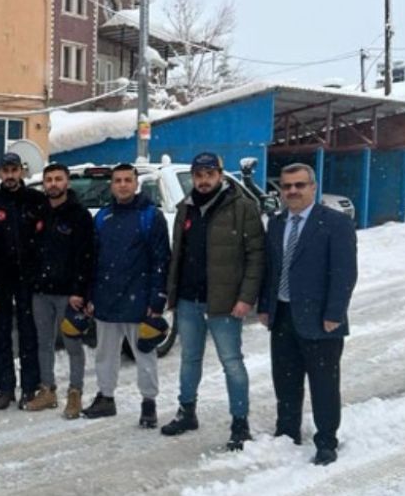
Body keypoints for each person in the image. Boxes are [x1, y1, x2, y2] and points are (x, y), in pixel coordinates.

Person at [161, 153, 265, 451]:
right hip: (188, 300)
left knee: (231, 363)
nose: (203, 180)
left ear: (220, 175)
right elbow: (177, 254)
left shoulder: (243, 207)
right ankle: (187, 412)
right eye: (198, 175)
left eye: (209, 174)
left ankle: (240, 422)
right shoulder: (186, 208)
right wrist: (173, 294)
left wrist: (246, 298)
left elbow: (256, 257)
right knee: (189, 360)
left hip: (226, 303)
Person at [258, 163, 357, 466]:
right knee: (285, 379)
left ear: (313, 188)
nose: (292, 191)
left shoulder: (335, 223)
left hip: (321, 318)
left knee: (323, 382)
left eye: (299, 185)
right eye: (287, 186)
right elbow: (270, 270)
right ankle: (287, 431)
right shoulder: (275, 223)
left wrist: (334, 313)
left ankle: (326, 440)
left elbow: (344, 273)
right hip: (283, 314)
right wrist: (265, 305)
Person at [82, 163, 171, 428]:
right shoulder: (102, 217)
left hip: (139, 300)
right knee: (105, 354)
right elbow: (93, 259)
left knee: (144, 354)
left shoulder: (150, 217)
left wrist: (157, 299)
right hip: (106, 299)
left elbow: (160, 260)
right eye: (117, 180)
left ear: (136, 183)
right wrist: (90, 294)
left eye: (127, 180)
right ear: (111, 185)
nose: (122, 185)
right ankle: (106, 397)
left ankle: (149, 404)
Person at [23, 163, 95, 418]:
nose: (53, 184)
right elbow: (31, 251)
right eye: (49, 180)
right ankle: (47, 390)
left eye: (58, 179)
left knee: (73, 344)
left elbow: (85, 257)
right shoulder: (39, 214)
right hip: (41, 292)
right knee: (44, 343)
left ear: (67, 182)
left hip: (69, 294)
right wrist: (33, 280)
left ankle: (75, 393)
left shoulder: (80, 215)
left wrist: (80, 291)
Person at [0, 152, 47, 410]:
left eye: (14, 170)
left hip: (28, 279)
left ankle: (30, 387)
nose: (10, 175)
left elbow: (44, 240)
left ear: (21, 171)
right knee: (0, 334)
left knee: (29, 333)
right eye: (5, 171)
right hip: (0, 279)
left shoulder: (35, 200)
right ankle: (5, 388)